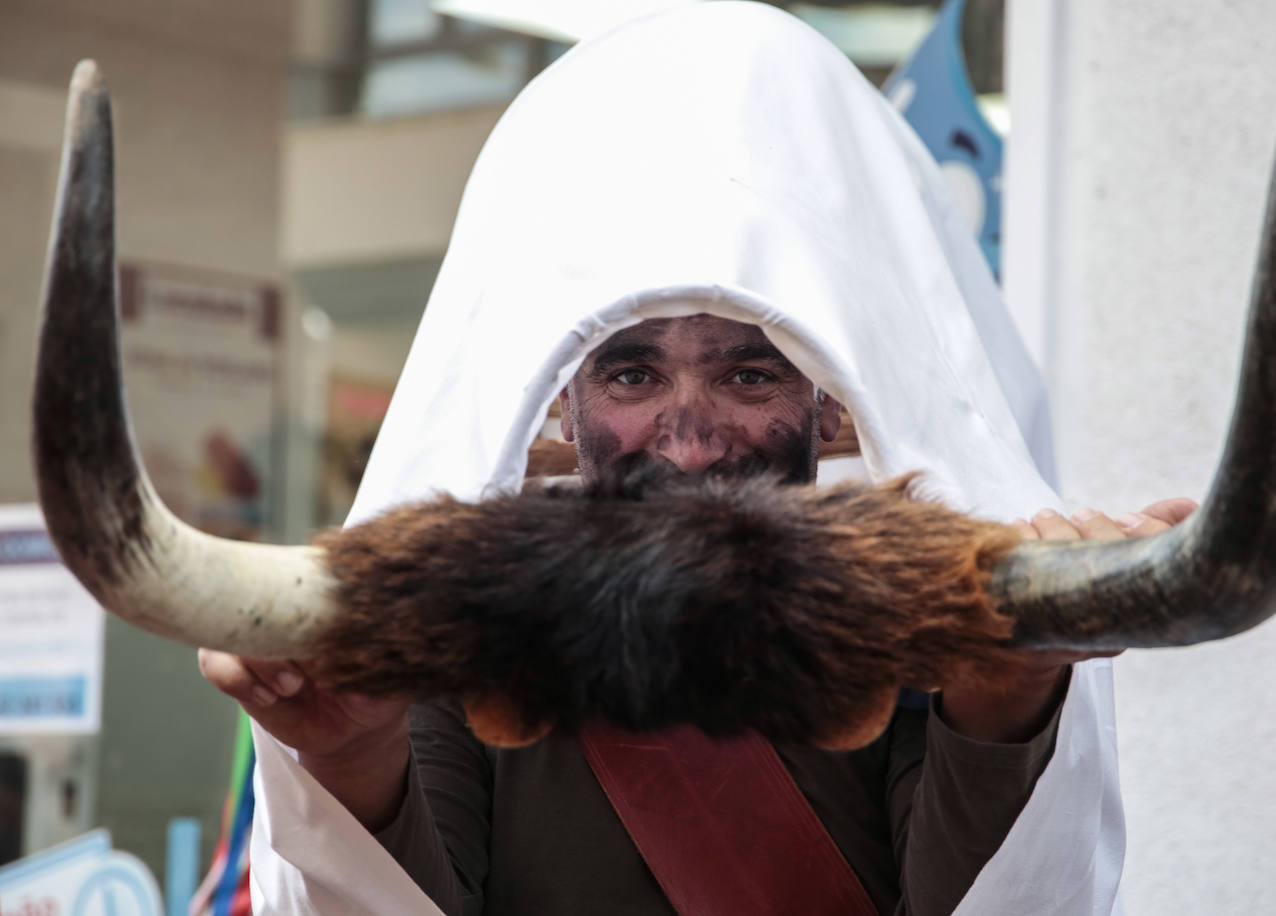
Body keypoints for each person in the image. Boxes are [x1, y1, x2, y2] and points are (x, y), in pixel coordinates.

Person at [199, 4, 1189, 912]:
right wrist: (353, 756)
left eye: (751, 376)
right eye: (631, 375)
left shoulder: (919, 616)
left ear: (831, 400)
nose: (690, 435)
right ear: (558, 399)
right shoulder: (468, 622)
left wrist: (1005, 692)